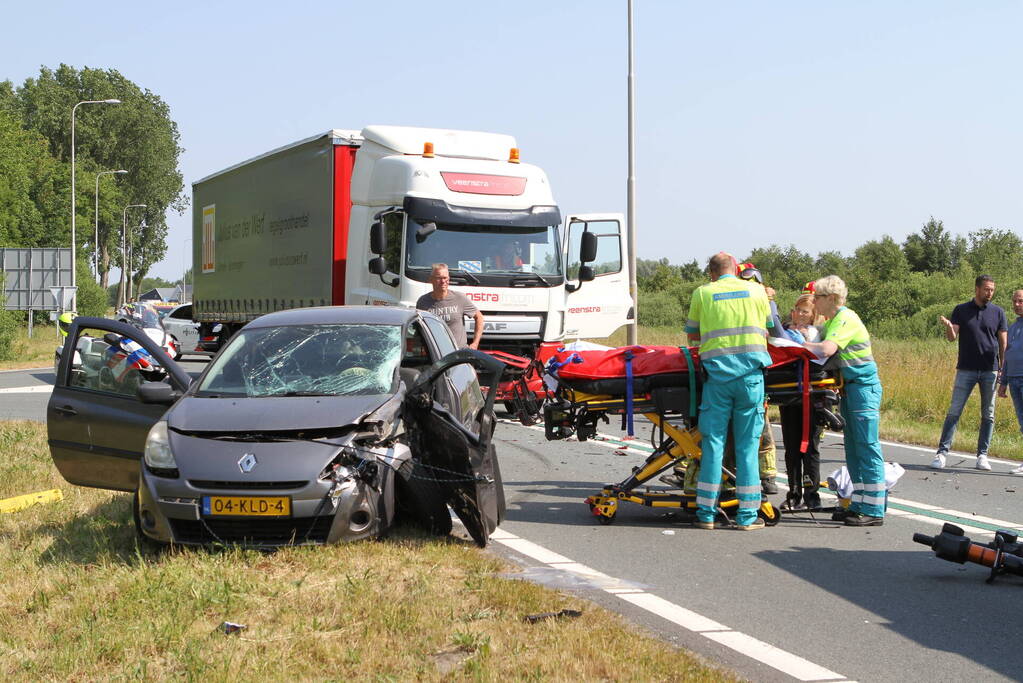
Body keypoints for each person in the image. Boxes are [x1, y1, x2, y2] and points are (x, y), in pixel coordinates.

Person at [686, 252, 773, 530]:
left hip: (718, 379)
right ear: (736, 269)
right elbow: (770, 328)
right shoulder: (757, 291)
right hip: (750, 379)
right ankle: (747, 517)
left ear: (711, 273)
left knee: (713, 445)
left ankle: (706, 514)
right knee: (747, 446)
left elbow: (693, 335)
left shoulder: (703, 293)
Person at [802, 275, 885, 526]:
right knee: (853, 448)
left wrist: (798, 345)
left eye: (818, 297)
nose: (814, 301)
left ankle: (874, 509)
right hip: (849, 390)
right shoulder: (834, 320)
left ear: (832, 299)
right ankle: (858, 503)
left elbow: (826, 349)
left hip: (863, 388)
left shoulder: (846, 319)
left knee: (867, 446)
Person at [931, 275, 1007, 471]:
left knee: (988, 415)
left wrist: (1002, 368)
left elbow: (1003, 343)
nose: (990, 293)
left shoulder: (998, 312)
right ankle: (942, 453)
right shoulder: (961, 310)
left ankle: (982, 455)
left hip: (990, 369)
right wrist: (949, 328)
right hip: (966, 369)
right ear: (977, 289)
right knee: (954, 411)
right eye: (986, 289)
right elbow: (952, 337)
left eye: (992, 289)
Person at [779, 292, 825, 509]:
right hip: (789, 394)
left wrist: (805, 341)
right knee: (791, 447)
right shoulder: (785, 332)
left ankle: (812, 495)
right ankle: (794, 493)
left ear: (813, 314)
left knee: (810, 446)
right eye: (797, 309)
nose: (799, 314)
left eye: (805, 311)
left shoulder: (817, 334)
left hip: (812, 395)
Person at [737, 262, 780, 493]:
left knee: (760, 428)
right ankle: (763, 476)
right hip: (749, 372)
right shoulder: (755, 300)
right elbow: (775, 331)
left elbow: (776, 332)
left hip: (745, 373)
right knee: (757, 427)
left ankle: (766, 476)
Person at [416, 263, 484, 349]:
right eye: (439, 278)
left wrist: (475, 343)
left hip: (458, 353)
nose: (443, 281)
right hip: (435, 353)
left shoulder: (460, 298)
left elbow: (479, 317)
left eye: (445, 278)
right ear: (431, 279)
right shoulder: (422, 302)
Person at [997, 289, 1023, 476]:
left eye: (1020, 301)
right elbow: (1007, 355)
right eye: (1014, 301)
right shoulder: (1013, 327)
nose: (1016, 305)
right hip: (1013, 379)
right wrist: (1003, 381)